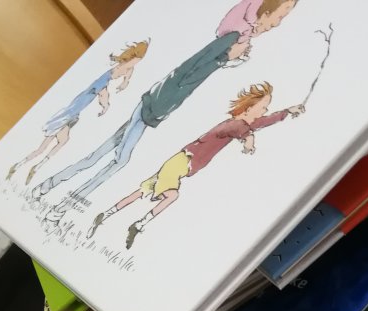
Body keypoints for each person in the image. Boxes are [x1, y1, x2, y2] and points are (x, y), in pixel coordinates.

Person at [31, 0, 299, 225]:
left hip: (154, 107)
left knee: (99, 154)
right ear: (265, 13)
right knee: (118, 162)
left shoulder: (235, 39)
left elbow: (194, 72)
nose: (278, 23)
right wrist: (224, 59)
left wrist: (226, 60)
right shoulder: (230, 39)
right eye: (280, 16)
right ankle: (63, 206)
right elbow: (191, 69)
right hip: (153, 106)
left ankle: (49, 186)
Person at [86, 82, 304, 247]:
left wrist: (287, 112)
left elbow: (261, 123)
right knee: (171, 195)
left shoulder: (242, 123)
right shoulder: (234, 124)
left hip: (179, 163)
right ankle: (138, 225)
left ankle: (105, 215)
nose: (265, 111)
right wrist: (249, 141)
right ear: (249, 108)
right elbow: (242, 131)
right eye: (263, 107)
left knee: (143, 191)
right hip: (181, 163)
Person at [6, 41, 149, 186]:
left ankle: (34, 167)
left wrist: (125, 81)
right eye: (134, 62)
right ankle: (21, 166)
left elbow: (128, 71)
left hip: (73, 115)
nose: (131, 67)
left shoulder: (123, 69)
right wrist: (106, 106)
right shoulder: (103, 80)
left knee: (62, 141)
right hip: (67, 115)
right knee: (43, 148)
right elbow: (103, 93)